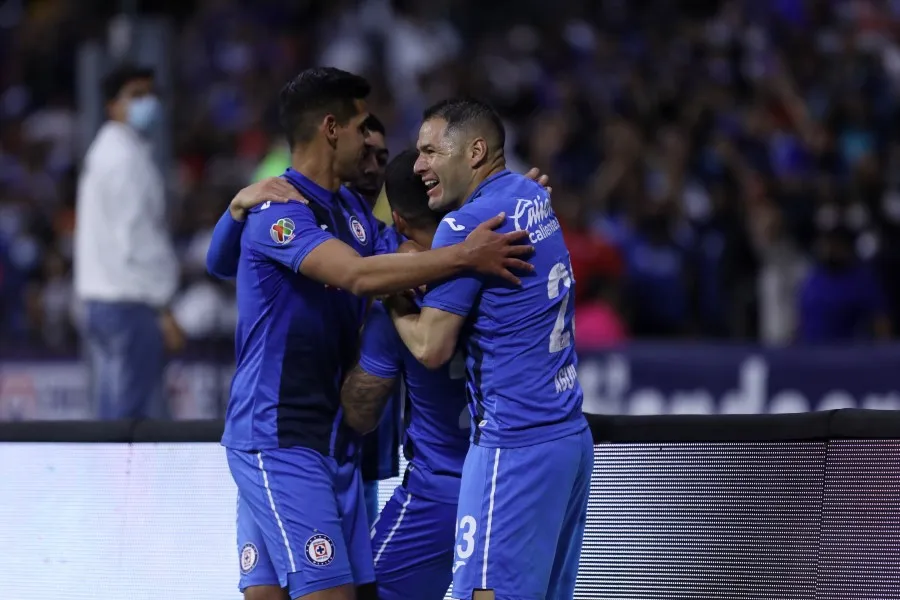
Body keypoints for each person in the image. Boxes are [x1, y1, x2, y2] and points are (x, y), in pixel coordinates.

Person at [210, 68, 533, 600]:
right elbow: (358, 277)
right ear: (332, 128)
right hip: (280, 432)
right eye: (364, 130)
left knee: (281, 594)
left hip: (329, 439)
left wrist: (511, 200)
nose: (372, 145)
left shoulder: (353, 213)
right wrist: (468, 255)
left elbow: (408, 252)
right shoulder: (281, 212)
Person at [384, 98, 592, 599]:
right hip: (569, 438)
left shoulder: (465, 228)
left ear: (475, 151)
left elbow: (432, 346)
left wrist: (390, 297)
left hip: (512, 448)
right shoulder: (532, 195)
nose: (419, 165)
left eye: (431, 150)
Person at [74, 63, 184, 420]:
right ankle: (123, 479)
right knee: (134, 422)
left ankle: (108, 477)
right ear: (111, 105)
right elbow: (137, 239)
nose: (147, 103)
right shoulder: (123, 159)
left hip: (102, 299)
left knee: (112, 412)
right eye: (136, 95)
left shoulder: (106, 151)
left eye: (151, 94)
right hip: (130, 302)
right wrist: (164, 305)